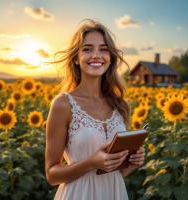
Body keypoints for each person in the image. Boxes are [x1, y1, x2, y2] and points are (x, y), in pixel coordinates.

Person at [45, 19, 146, 200]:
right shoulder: (63, 104)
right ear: (75, 58)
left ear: (110, 57)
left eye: (104, 49)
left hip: (115, 193)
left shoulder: (122, 106)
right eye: (87, 49)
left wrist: (131, 164)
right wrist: (91, 163)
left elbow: (115, 172)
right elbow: (52, 175)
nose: (96, 55)